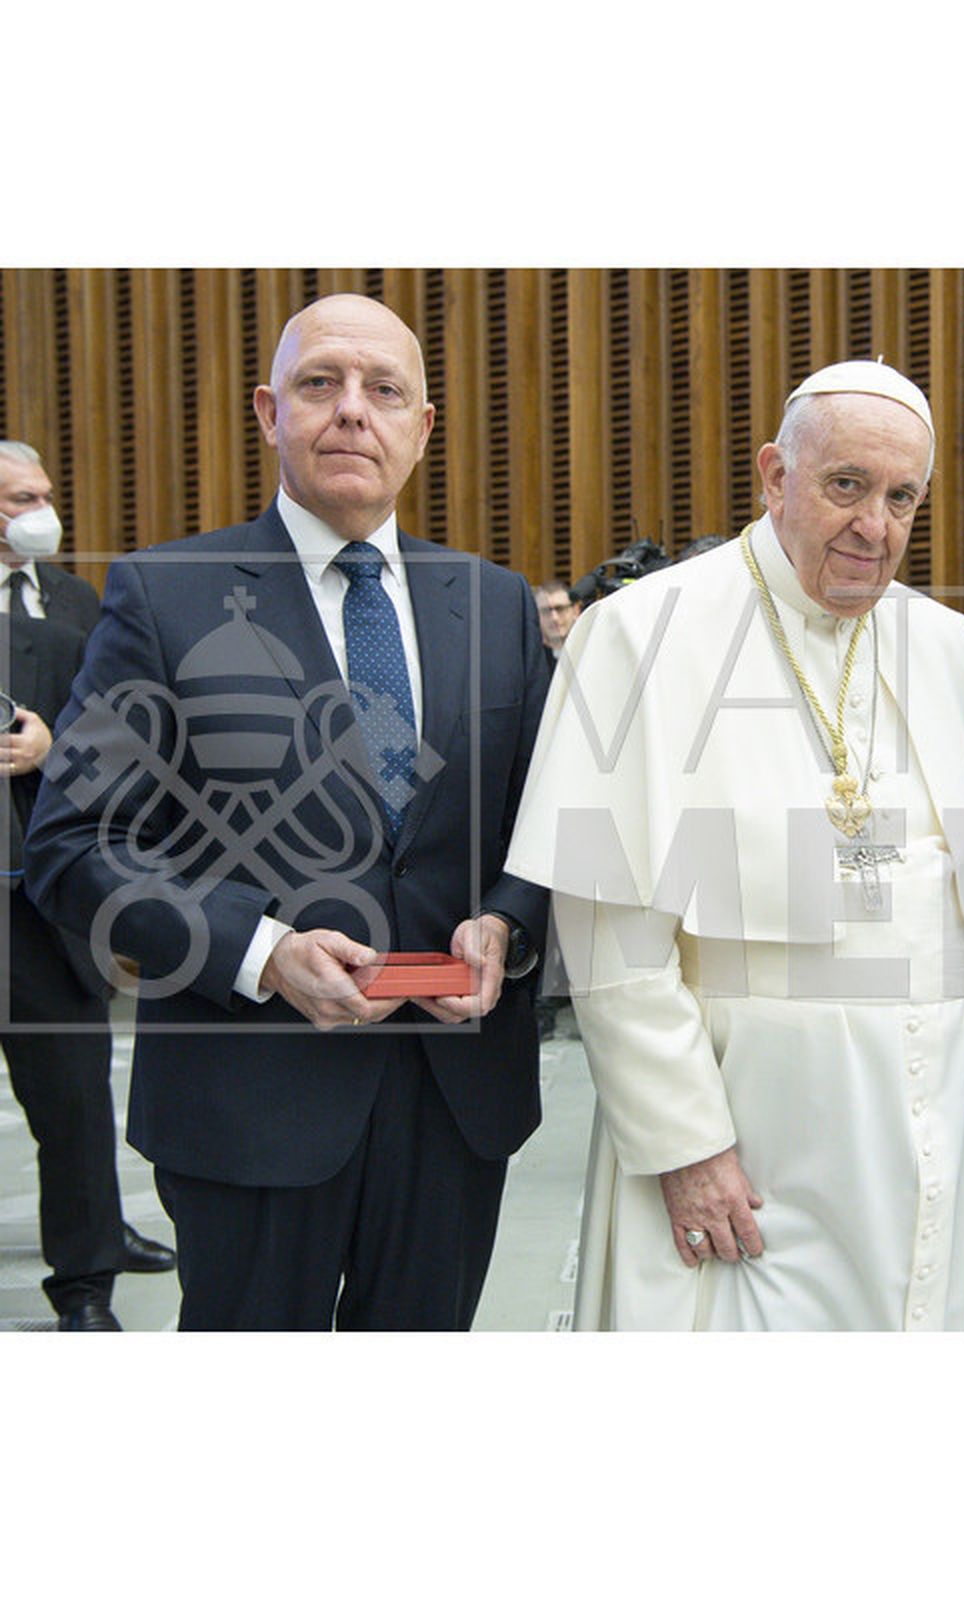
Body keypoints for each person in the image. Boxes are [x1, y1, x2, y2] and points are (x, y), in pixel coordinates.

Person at [24, 296, 550, 1330]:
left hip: (454, 1098)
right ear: (270, 411)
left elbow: (546, 825)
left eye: (383, 390)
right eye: (322, 384)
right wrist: (258, 950)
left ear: (423, 426)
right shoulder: (164, 595)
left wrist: (511, 925)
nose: (353, 411)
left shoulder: (492, 605)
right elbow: (74, 844)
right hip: (249, 1095)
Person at [505, 359, 964, 1330]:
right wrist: (683, 1143)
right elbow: (609, 931)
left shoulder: (948, 644)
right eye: (845, 487)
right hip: (749, 1148)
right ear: (774, 476)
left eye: (901, 496)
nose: (875, 526)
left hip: (928, 1133)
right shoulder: (639, 634)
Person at [0, 441, 175, 1331]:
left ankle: (88, 1270)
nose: (39, 510)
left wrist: (45, 751)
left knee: (72, 1096)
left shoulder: (74, 601)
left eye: (43, 494)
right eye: (19, 497)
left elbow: (117, 736)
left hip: (41, 897)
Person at [534, 580, 579, 669]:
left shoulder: (588, 653)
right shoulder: (531, 662)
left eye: (560, 609)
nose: (554, 618)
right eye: (546, 611)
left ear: (575, 611)